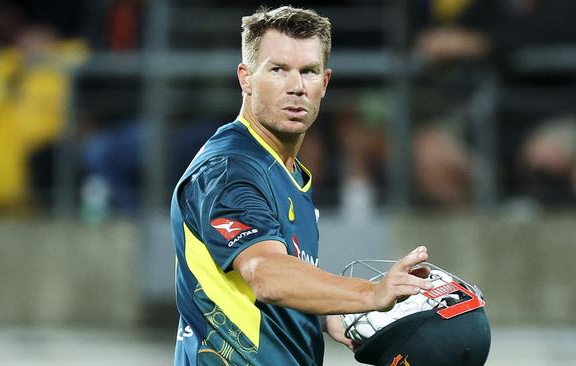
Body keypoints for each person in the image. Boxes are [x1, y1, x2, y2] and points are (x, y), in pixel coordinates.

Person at [170, 6, 433, 365]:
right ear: (246, 78)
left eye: (308, 71)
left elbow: (271, 283)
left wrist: (325, 313)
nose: (296, 87)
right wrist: (372, 293)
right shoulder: (230, 169)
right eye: (278, 70)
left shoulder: (287, 174)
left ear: (324, 83)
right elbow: (265, 274)